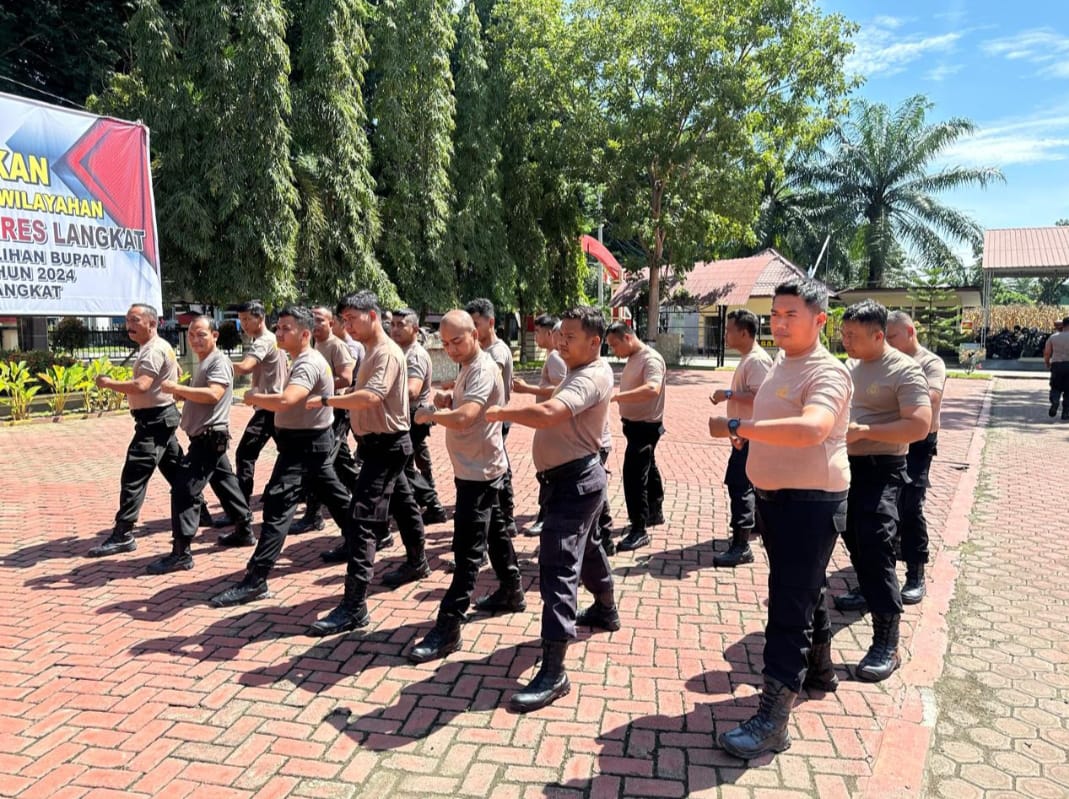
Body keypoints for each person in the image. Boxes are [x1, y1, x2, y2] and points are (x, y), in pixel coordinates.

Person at [708, 279, 851, 760]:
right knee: (799, 589)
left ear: (819, 320)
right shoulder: (782, 365)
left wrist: (738, 426)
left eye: (791, 313)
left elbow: (814, 428)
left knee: (787, 604)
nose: (780, 321)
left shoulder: (826, 371)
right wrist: (748, 434)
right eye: (776, 313)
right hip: (776, 499)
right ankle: (819, 671)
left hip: (810, 503)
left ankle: (773, 719)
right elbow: (775, 414)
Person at [486, 306, 618, 713]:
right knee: (589, 547)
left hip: (576, 484)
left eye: (570, 337)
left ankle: (554, 669)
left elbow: (549, 414)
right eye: (561, 335)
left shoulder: (594, 373)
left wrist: (499, 411)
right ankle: (606, 609)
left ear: (594, 342)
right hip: (570, 482)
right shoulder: (575, 370)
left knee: (558, 566)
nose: (561, 342)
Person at [209, 306, 354, 608]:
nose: (278, 332)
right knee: (335, 495)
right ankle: (362, 540)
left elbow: (288, 400)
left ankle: (256, 579)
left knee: (277, 505)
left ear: (304, 334)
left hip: (305, 445)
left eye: (286, 328)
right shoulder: (302, 359)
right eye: (278, 327)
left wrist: (254, 397)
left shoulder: (307, 363)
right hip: (307, 442)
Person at [307, 291, 429, 636]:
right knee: (404, 507)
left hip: (386, 447)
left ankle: (354, 606)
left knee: (362, 522)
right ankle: (417, 562)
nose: (347, 326)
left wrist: (329, 399)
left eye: (352, 319)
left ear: (372, 316)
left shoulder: (386, 354)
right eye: (343, 320)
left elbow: (373, 396)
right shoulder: (372, 351)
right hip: (383, 445)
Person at [406, 310, 526, 663]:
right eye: (444, 344)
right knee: (497, 534)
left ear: (475, 333)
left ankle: (449, 626)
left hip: (481, 472)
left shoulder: (483, 368)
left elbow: (466, 418)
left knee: (467, 552)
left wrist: (432, 414)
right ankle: (512, 591)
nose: (451, 349)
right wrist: (448, 400)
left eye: (457, 341)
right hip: (475, 469)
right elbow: (464, 407)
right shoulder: (468, 367)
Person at [833, 301, 931, 684]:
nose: (846, 342)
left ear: (879, 335)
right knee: (851, 535)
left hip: (883, 469)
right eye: (843, 335)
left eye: (853, 337)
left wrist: (866, 432)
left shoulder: (903, 369)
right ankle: (868, 589)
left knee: (875, 541)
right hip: (846, 466)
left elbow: (919, 426)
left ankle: (886, 640)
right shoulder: (847, 368)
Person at [147, 317, 255, 573]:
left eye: (201, 335)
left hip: (209, 438)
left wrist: (179, 389)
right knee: (226, 483)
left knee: (184, 491)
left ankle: (181, 552)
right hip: (208, 437)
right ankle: (244, 529)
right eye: (192, 335)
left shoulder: (218, 361)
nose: (195, 340)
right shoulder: (205, 361)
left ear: (215, 335)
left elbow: (214, 394)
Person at [89, 304, 189, 557]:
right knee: (179, 473)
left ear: (151, 323)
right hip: (160, 418)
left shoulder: (152, 350)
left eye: (135, 320)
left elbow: (141, 385)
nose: (128, 326)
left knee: (133, 476)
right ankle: (205, 514)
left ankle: (123, 533)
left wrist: (108, 383)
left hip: (154, 421)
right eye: (127, 321)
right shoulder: (160, 346)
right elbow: (175, 371)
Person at [885, 311, 946, 604]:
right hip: (888, 439)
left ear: (910, 331)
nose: (887, 342)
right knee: (881, 508)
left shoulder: (930, 363)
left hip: (918, 443)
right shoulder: (884, 362)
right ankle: (877, 575)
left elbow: (929, 398)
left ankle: (915, 572)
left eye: (892, 336)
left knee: (910, 506)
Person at [709, 310, 772, 567]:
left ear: (744, 333)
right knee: (747, 485)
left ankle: (741, 545)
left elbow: (761, 397)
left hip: (749, 436)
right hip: (744, 434)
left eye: (729, 330)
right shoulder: (750, 359)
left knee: (740, 486)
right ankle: (752, 527)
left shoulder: (756, 361)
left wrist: (727, 394)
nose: (725, 335)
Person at [291, 306, 359, 534]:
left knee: (322, 466)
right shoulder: (315, 346)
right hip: (320, 412)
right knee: (340, 463)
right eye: (313, 320)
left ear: (332, 323)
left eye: (320, 320)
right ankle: (363, 499)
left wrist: (320, 390)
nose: (316, 324)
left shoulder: (337, 346)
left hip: (336, 411)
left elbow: (347, 378)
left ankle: (315, 515)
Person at [604, 323, 666, 552]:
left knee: (633, 476)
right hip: (635, 427)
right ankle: (655, 510)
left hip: (645, 427)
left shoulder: (650, 359)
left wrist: (619, 397)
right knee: (648, 467)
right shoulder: (634, 357)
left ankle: (639, 529)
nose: (613, 350)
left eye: (614, 344)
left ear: (628, 338)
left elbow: (653, 388)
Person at [466, 299, 518, 537]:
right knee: (497, 469)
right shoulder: (480, 351)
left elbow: (485, 383)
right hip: (485, 418)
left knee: (498, 470)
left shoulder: (496, 352)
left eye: (476, 324)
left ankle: (505, 519)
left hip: (495, 417)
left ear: (491, 322)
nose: (472, 329)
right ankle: (501, 520)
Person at [391, 307, 448, 524]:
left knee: (401, 466)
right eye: (392, 324)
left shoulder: (414, 355)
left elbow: (412, 391)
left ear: (414, 328)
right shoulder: (401, 351)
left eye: (400, 325)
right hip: (408, 416)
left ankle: (433, 504)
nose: (394, 329)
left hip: (414, 415)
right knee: (406, 464)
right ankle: (425, 503)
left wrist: (379, 395)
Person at [512, 314, 567, 536]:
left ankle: (546, 516)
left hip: (551, 421)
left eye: (538, 332)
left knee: (547, 469)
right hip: (549, 421)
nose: (535, 336)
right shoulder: (551, 356)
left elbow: (561, 389)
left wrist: (528, 389)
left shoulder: (554, 358)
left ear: (549, 333)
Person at [231, 300, 288, 509]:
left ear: (260, 317)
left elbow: (246, 367)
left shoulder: (263, 341)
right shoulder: (273, 339)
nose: (243, 324)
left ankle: (239, 508)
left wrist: (217, 363)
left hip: (268, 408)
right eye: (241, 320)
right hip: (274, 406)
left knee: (245, 454)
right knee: (289, 455)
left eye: (247, 319)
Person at [1043, 316, 1069, 419]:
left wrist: (1047, 363)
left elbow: (1047, 353)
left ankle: (1055, 401)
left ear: (1063, 325)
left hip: (1057, 365)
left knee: (1055, 387)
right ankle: (1066, 412)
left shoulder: (1053, 337)